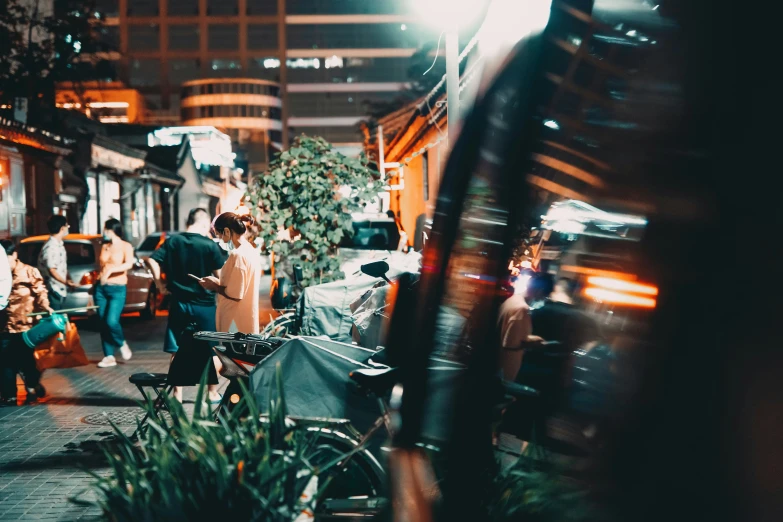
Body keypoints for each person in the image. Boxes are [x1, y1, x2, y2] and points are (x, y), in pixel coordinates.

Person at [147, 208, 226, 403]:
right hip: (205, 305)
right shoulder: (209, 245)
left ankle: (177, 395)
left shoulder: (173, 241)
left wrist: (159, 284)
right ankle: (212, 393)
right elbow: (220, 276)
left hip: (179, 303)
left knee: (177, 349)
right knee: (211, 348)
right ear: (205, 223)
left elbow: (151, 259)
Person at [0, 240, 52, 405]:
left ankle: (32, 383)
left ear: (14, 255)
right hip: (4, 326)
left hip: (25, 327)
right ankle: (9, 396)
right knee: (6, 362)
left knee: (26, 361)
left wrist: (47, 307)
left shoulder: (29, 272)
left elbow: (41, 293)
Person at [200, 212, 262, 334]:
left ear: (227, 232)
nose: (220, 240)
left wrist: (214, 286)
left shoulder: (238, 255)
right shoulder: (250, 250)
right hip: (245, 319)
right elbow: (240, 284)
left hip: (234, 323)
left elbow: (235, 294)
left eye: (219, 235)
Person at [94, 218, 135, 368]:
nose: (104, 232)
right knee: (103, 323)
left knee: (111, 321)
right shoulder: (105, 246)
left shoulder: (126, 246)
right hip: (101, 289)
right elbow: (101, 267)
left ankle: (121, 343)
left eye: (106, 229)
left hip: (117, 288)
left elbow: (129, 263)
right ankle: (108, 356)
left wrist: (111, 270)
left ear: (112, 230)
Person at [497, 271, 544, 381]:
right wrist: (533, 342)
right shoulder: (522, 308)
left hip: (498, 364)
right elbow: (511, 344)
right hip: (504, 369)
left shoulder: (512, 300)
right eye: (543, 296)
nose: (542, 299)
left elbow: (510, 332)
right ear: (539, 291)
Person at [37, 215, 75, 310]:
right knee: (55, 320)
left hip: (59, 289)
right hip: (52, 289)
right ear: (62, 228)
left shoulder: (58, 245)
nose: (67, 228)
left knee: (61, 319)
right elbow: (52, 270)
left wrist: (67, 280)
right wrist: (66, 282)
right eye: (67, 226)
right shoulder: (51, 247)